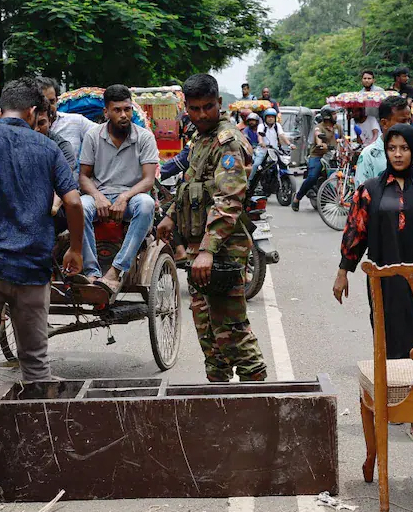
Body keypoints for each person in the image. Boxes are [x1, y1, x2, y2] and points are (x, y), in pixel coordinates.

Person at [0, 79, 84, 395]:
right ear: (33, 112)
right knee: (36, 365)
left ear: (0, 111)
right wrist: (76, 250)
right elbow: (74, 202)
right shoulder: (49, 148)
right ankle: (38, 438)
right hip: (32, 269)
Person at [335, 123, 413, 444]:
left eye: (404, 148)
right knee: (388, 339)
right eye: (392, 148)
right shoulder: (370, 190)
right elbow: (356, 232)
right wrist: (344, 271)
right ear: (385, 151)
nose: (398, 154)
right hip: (384, 280)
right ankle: (395, 402)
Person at [157, 73, 267, 383]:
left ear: (219, 103)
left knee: (230, 330)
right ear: (187, 109)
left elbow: (228, 199)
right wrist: (170, 215)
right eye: (194, 108)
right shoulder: (199, 138)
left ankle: (257, 399)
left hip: (222, 250)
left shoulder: (227, 141)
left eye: (208, 107)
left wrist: (207, 249)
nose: (202, 114)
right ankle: (220, 399)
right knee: (208, 333)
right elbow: (191, 185)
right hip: (199, 250)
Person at [78, 84, 160, 294]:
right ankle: (91, 272)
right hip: (100, 195)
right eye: (117, 110)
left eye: (127, 109)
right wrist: (97, 196)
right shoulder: (92, 136)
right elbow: (83, 177)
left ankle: (115, 271)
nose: (124, 115)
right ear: (106, 112)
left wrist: (125, 196)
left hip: (132, 196)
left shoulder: (144, 137)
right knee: (78, 206)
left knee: (146, 204)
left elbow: (148, 179)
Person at [355, 95, 412, 185]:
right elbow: (361, 195)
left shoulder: (412, 150)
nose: (408, 125)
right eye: (403, 121)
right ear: (384, 123)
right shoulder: (368, 155)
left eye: (409, 121)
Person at [292, 107, 341, 211]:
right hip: (318, 156)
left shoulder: (338, 127)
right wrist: (321, 144)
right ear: (327, 116)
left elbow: (343, 140)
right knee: (312, 177)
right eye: (333, 114)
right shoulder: (319, 127)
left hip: (334, 156)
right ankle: (297, 198)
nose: (336, 116)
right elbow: (318, 137)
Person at [37, 77, 94, 161]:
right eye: (43, 102)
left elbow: (101, 133)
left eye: (51, 101)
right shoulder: (26, 126)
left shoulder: (76, 121)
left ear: (57, 100)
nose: (48, 107)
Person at [250, 108, 289, 186]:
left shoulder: (277, 126)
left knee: (284, 163)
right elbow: (260, 135)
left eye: (272, 117)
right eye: (269, 117)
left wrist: (289, 144)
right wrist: (261, 142)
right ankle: (249, 181)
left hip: (274, 150)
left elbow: (282, 135)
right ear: (265, 118)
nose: (271, 118)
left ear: (275, 118)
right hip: (263, 150)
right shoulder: (261, 126)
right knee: (256, 164)